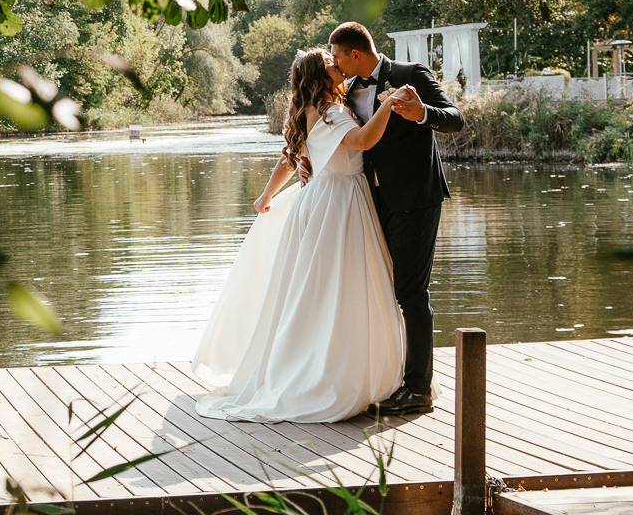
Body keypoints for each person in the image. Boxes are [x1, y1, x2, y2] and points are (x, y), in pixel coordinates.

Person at [191, 48, 405, 423]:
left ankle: (329, 366)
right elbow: (361, 142)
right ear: (319, 76)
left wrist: (266, 195)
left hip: (327, 198)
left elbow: (291, 158)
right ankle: (331, 375)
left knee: (321, 291)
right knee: (338, 290)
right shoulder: (330, 111)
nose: (337, 64)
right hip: (338, 203)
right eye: (330, 63)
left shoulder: (317, 108)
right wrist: (390, 103)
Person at [327, 21, 464, 415]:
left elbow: (455, 118)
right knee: (383, 289)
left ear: (355, 54)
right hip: (373, 202)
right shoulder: (348, 89)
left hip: (417, 200)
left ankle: (418, 390)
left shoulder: (410, 74)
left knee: (411, 293)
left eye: (337, 57)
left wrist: (422, 113)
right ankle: (391, 378)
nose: (334, 64)